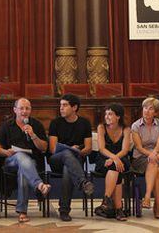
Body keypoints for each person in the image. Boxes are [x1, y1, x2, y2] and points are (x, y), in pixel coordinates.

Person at [0, 97, 51, 223]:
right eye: (21, 108)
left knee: (24, 169)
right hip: (11, 161)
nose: (24, 111)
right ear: (15, 110)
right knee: (20, 157)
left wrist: (33, 135)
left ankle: (22, 211)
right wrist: (5, 152)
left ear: (30, 110)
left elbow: (44, 148)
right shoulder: (7, 125)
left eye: (27, 108)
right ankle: (39, 184)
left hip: (32, 163)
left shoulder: (36, 125)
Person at [48, 93, 94, 222]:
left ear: (74, 107)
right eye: (60, 105)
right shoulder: (55, 123)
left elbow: (88, 148)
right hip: (56, 159)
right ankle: (83, 182)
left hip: (75, 159)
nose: (61, 108)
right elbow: (53, 149)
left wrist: (77, 151)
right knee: (68, 154)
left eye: (64, 105)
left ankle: (64, 210)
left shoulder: (84, 123)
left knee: (68, 169)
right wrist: (70, 149)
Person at [131, 98, 159, 219]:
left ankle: (147, 197)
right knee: (157, 170)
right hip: (140, 158)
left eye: (150, 108)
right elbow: (139, 147)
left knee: (155, 164)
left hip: (158, 155)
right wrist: (152, 155)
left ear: (156, 112)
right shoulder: (135, 126)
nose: (146, 111)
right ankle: (158, 206)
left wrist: (154, 153)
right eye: (145, 108)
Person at [94, 103, 130, 221]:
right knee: (116, 168)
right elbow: (101, 148)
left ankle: (106, 200)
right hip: (104, 157)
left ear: (118, 116)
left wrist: (115, 158)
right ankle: (119, 210)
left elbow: (125, 150)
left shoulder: (126, 129)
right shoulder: (101, 127)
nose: (107, 117)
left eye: (110, 114)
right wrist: (113, 158)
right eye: (106, 114)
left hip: (120, 157)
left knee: (115, 167)